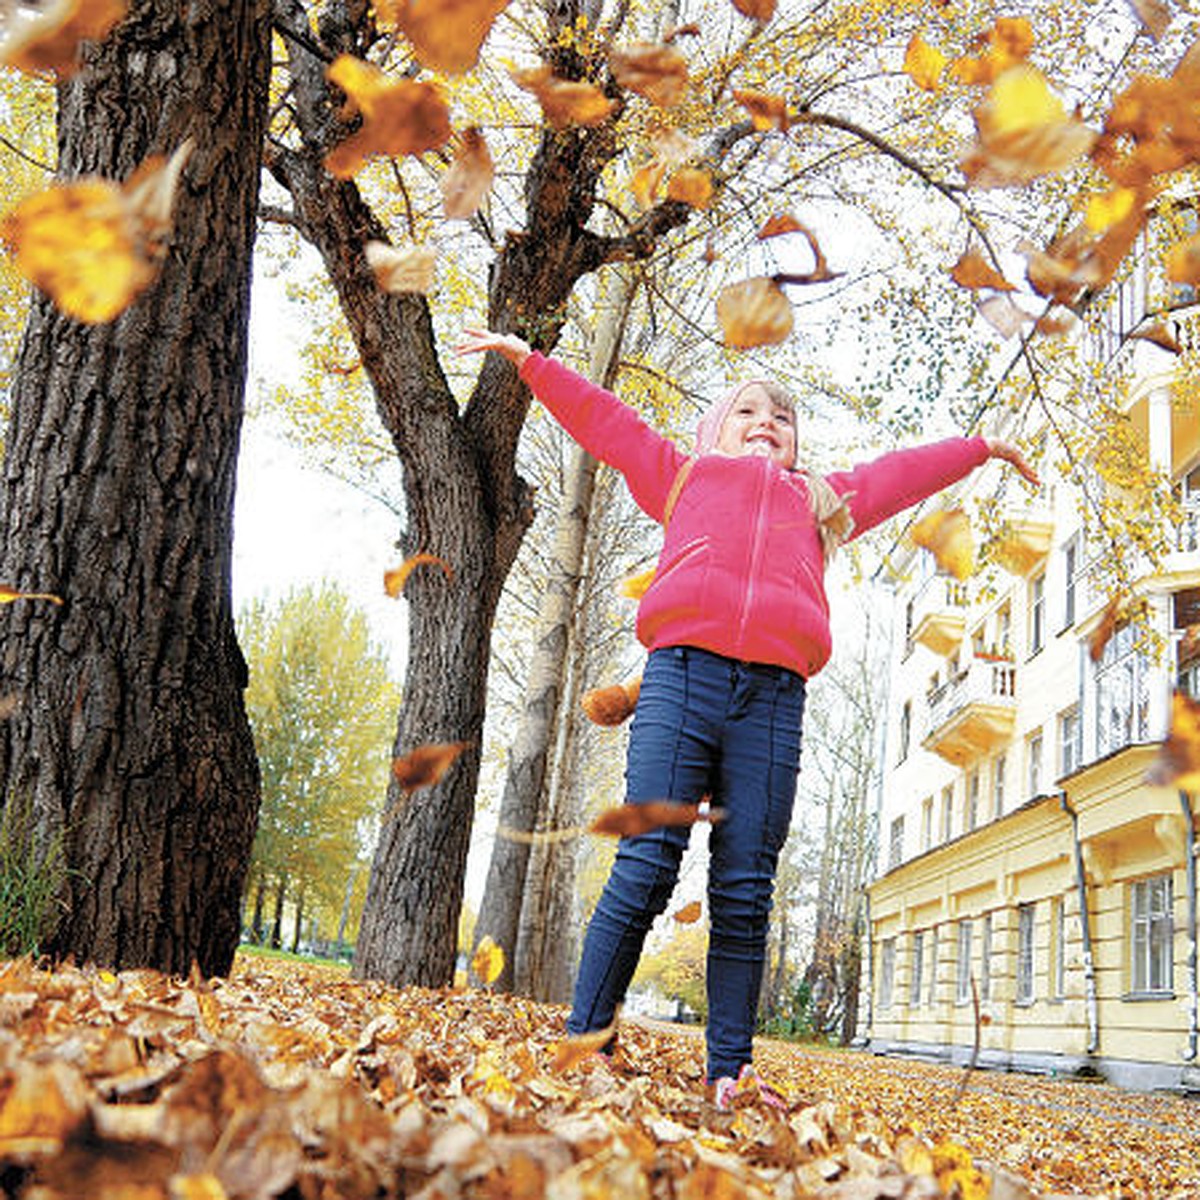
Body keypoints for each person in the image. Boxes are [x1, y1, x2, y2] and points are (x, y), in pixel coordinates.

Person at [456, 328, 1038, 1110]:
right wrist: (530, 361)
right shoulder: (680, 475)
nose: (767, 421)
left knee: (745, 887)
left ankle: (729, 1071)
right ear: (713, 431)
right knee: (648, 863)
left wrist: (979, 448)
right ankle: (585, 1039)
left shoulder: (820, 500)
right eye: (748, 411)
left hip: (772, 703)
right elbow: (604, 420)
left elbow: (899, 475)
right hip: (680, 681)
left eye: (784, 417)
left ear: (798, 445)